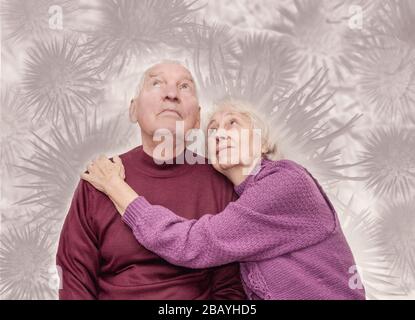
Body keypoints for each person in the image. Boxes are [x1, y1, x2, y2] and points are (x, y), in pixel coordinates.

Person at [82, 98, 366, 300]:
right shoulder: (239, 200)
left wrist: (115, 187)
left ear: (263, 142)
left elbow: (194, 244)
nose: (219, 134)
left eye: (233, 124)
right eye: (213, 130)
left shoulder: (286, 181)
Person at [56, 61, 246, 299]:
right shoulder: (100, 179)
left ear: (198, 119)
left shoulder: (222, 184)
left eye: (184, 86)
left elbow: (231, 288)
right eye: (156, 83)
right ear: (133, 110)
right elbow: (74, 278)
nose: (171, 94)